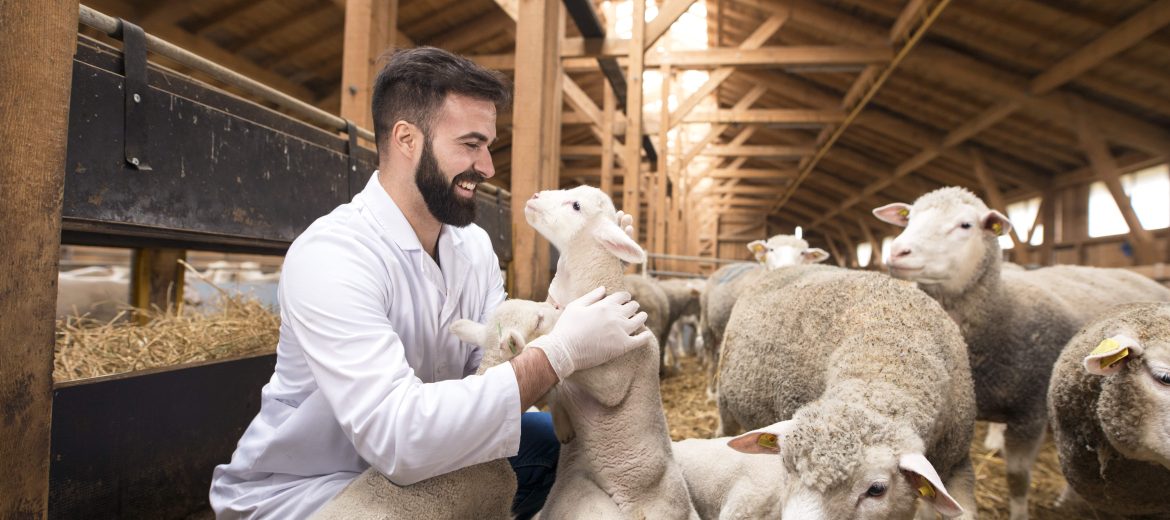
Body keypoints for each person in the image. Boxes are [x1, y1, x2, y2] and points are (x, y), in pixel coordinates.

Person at [209, 47, 651, 519]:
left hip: (435, 465)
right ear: (406, 139)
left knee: (555, 448)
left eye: (488, 146)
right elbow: (399, 438)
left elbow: (499, 362)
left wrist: (571, 282)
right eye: (470, 144)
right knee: (472, 482)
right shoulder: (333, 255)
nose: (487, 167)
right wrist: (561, 352)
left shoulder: (473, 247)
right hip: (316, 490)